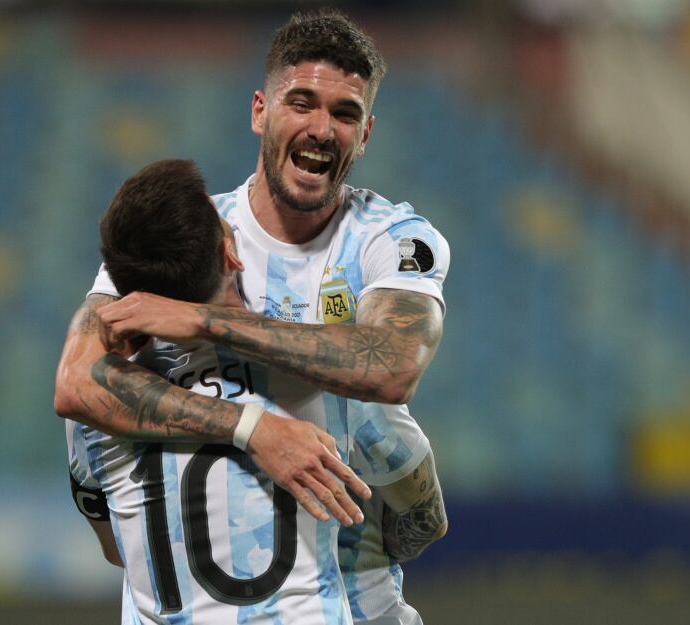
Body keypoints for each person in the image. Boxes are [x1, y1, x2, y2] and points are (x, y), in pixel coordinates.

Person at [57, 10, 449, 624]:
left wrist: (206, 322)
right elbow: (75, 381)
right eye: (302, 103)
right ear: (259, 111)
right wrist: (255, 431)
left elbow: (394, 366)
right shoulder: (182, 236)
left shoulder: (390, 238)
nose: (322, 129)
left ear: (366, 132)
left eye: (344, 114)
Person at [61, 158, 369, 624]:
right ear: (230, 254)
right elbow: (406, 496)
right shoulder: (305, 364)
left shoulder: (97, 401)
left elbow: (115, 547)